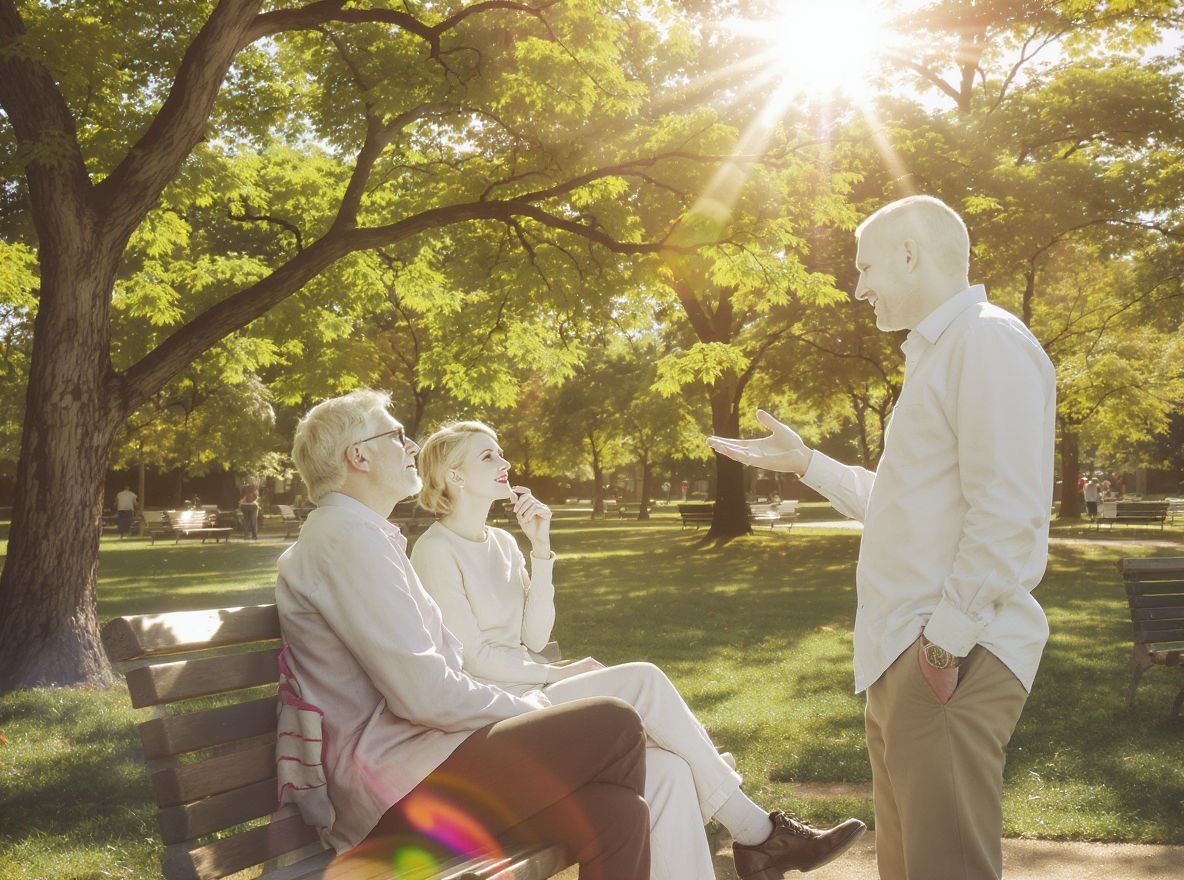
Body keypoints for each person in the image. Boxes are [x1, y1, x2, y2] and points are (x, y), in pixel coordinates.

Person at [709, 195, 1055, 880]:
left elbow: (1010, 510)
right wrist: (808, 464)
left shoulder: (986, 340)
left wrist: (944, 642)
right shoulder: (939, 353)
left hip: (949, 656)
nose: (858, 286)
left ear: (909, 253)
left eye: (866, 266)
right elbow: (903, 506)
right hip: (908, 656)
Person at [410, 420, 865, 880]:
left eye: (501, 452)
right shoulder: (434, 552)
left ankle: (754, 836)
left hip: (532, 692)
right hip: (498, 714)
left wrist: (541, 549)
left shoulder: (505, 543)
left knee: (669, 771)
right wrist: (557, 675)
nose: (505, 463)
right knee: (643, 678)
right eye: (487, 456)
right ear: (455, 476)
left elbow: (533, 637)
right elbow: (472, 659)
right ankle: (758, 834)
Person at [274, 390, 651, 880]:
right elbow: (425, 695)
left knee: (618, 816)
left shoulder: (361, 534)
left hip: (426, 764)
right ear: (359, 455)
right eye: (397, 436)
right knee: (612, 724)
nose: (412, 447)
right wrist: (537, 707)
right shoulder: (346, 538)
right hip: (391, 788)